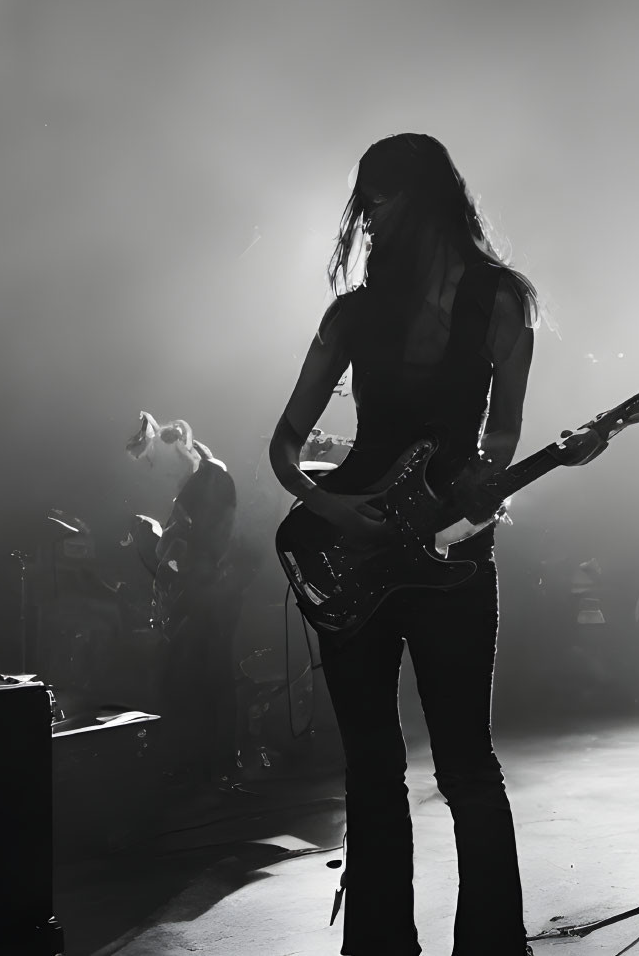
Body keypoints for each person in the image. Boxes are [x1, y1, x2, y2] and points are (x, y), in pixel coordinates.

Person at [270, 134, 570, 956]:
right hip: (352, 547)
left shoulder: (502, 301)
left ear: (427, 194)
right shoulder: (353, 313)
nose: (370, 212)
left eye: (383, 194)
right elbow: (283, 448)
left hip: (453, 553)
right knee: (370, 772)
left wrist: (481, 482)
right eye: (365, 198)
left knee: (467, 766)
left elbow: (501, 437)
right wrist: (329, 505)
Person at [126, 410, 240, 782]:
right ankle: (209, 763)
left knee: (194, 678)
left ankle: (204, 764)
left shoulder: (208, 481)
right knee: (200, 678)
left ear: (176, 446)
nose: (156, 472)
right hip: (204, 595)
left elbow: (194, 549)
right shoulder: (206, 479)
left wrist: (152, 537)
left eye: (154, 461)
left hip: (206, 596)